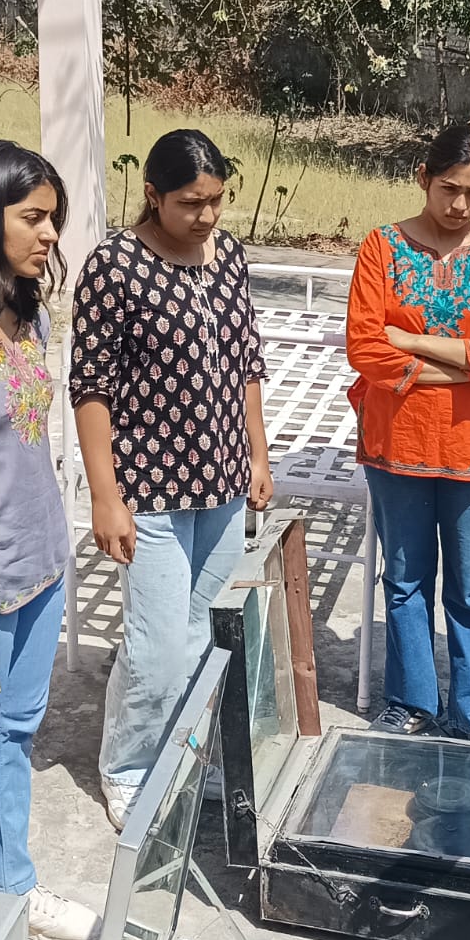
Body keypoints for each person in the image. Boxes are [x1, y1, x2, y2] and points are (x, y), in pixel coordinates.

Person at [71, 127, 271, 830]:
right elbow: (91, 386)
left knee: (202, 635)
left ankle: (183, 755)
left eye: (216, 200)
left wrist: (258, 456)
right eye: (190, 203)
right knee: (155, 647)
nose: (207, 216)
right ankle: (127, 767)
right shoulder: (115, 266)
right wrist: (105, 496)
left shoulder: (230, 258)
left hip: (219, 481)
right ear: (153, 196)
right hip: (147, 488)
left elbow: (247, 361)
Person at [0, 139, 102, 940]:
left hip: (41, 558)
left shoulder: (27, 311)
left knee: (14, 734)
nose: (49, 235)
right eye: (33, 217)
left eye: (54, 220)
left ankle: (10, 882)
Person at [345, 123, 470, 743]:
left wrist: (417, 342)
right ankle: (412, 701)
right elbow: (365, 348)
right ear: (422, 178)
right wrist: (466, 363)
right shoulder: (380, 247)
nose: (459, 205)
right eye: (449, 188)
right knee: (404, 579)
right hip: (396, 443)